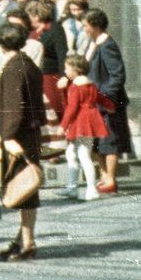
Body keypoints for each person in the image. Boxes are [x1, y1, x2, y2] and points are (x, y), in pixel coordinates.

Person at [0, 21, 46, 260]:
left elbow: (14, 109)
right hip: (30, 134)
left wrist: (7, 137)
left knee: (24, 190)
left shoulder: (14, 68)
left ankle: (28, 243)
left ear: (2, 44)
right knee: (26, 189)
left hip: (19, 137)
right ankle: (22, 239)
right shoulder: (28, 64)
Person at [81, 9, 132, 194]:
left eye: (86, 25)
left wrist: (108, 99)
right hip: (94, 101)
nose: (84, 29)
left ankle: (110, 177)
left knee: (109, 140)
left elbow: (117, 75)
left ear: (95, 25)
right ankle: (104, 176)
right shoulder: (94, 43)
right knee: (96, 142)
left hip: (106, 102)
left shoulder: (107, 45)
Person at [57, 53, 108, 202]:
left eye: (67, 68)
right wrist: (110, 106)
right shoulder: (89, 84)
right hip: (90, 120)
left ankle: (91, 189)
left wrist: (63, 125)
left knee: (83, 155)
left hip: (81, 121)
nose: (65, 71)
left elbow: (72, 108)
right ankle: (73, 187)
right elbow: (100, 98)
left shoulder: (75, 86)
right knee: (73, 153)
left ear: (76, 69)